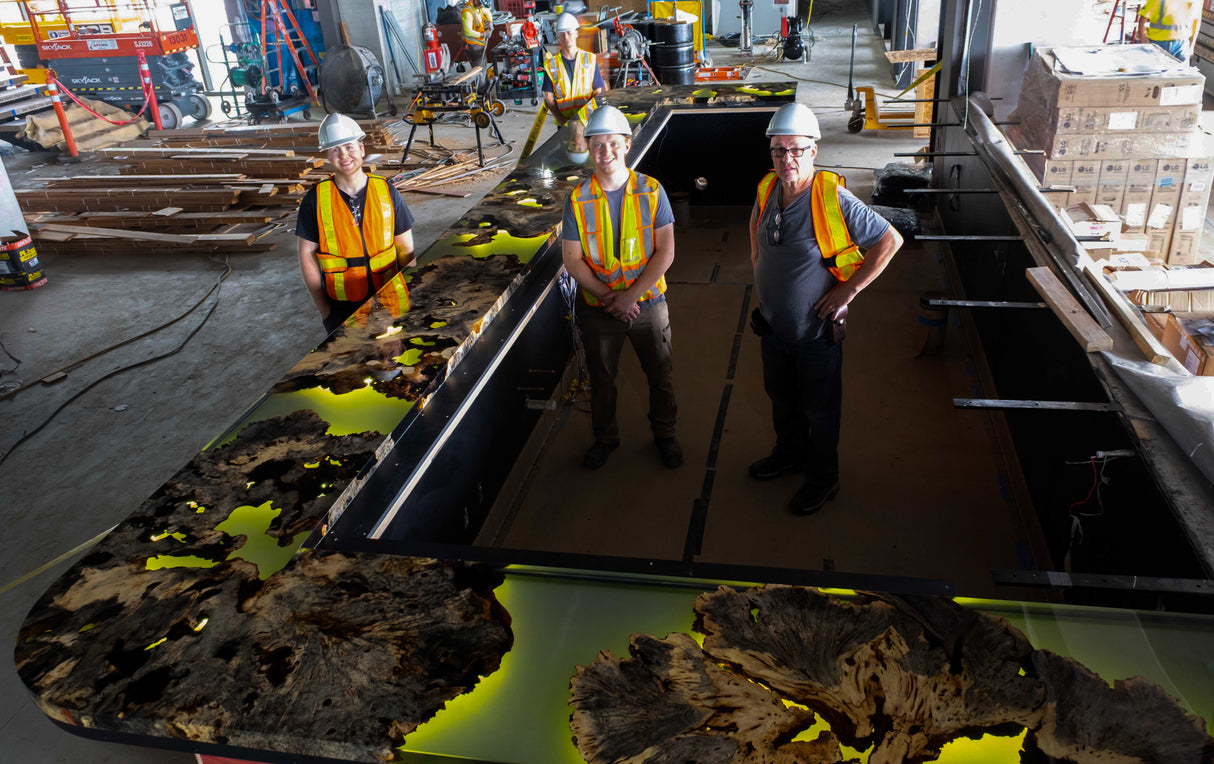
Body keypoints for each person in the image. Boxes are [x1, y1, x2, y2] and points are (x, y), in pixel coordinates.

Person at [748, 102, 903, 514]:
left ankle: (823, 479)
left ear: (813, 151)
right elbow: (756, 234)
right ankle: (789, 454)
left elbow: (890, 241)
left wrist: (847, 292)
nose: (787, 159)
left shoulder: (833, 197)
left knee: (820, 411)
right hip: (774, 326)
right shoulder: (767, 188)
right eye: (779, 150)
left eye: (796, 150)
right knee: (781, 399)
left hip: (815, 334)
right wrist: (764, 280)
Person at [562, 105, 681, 470]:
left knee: (660, 374)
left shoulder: (651, 191)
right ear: (588, 148)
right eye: (598, 145)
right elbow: (572, 260)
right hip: (600, 309)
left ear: (627, 144)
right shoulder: (578, 199)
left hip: (648, 303)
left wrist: (630, 296)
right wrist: (608, 297)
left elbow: (666, 252)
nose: (606, 152)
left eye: (613, 143)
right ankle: (605, 438)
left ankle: (665, 434)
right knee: (602, 379)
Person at [296, 113, 415, 334]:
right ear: (328, 156)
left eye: (349, 147)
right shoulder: (315, 200)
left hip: (392, 301)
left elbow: (406, 250)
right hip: (344, 307)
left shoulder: (387, 191)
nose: (344, 155)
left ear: (361, 149)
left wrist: (414, 293)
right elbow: (306, 255)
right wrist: (326, 313)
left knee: (399, 359)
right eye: (335, 150)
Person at [543, 11, 604, 154]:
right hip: (564, 123)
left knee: (589, 153)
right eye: (562, 34)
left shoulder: (589, 59)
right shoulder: (551, 64)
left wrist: (592, 117)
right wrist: (561, 120)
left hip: (588, 122)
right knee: (566, 155)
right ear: (558, 37)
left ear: (576, 33)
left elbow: (598, 91)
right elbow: (549, 97)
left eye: (569, 33)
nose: (566, 37)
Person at [460, 0, 494, 75]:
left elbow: (487, 11)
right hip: (472, 45)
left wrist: (490, 23)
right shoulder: (467, 12)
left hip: (479, 43)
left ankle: (484, 84)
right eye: (480, 5)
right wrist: (483, 35)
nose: (481, 7)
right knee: (478, 69)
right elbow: (468, 31)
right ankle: (480, 85)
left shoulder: (479, 6)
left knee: (483, 65)